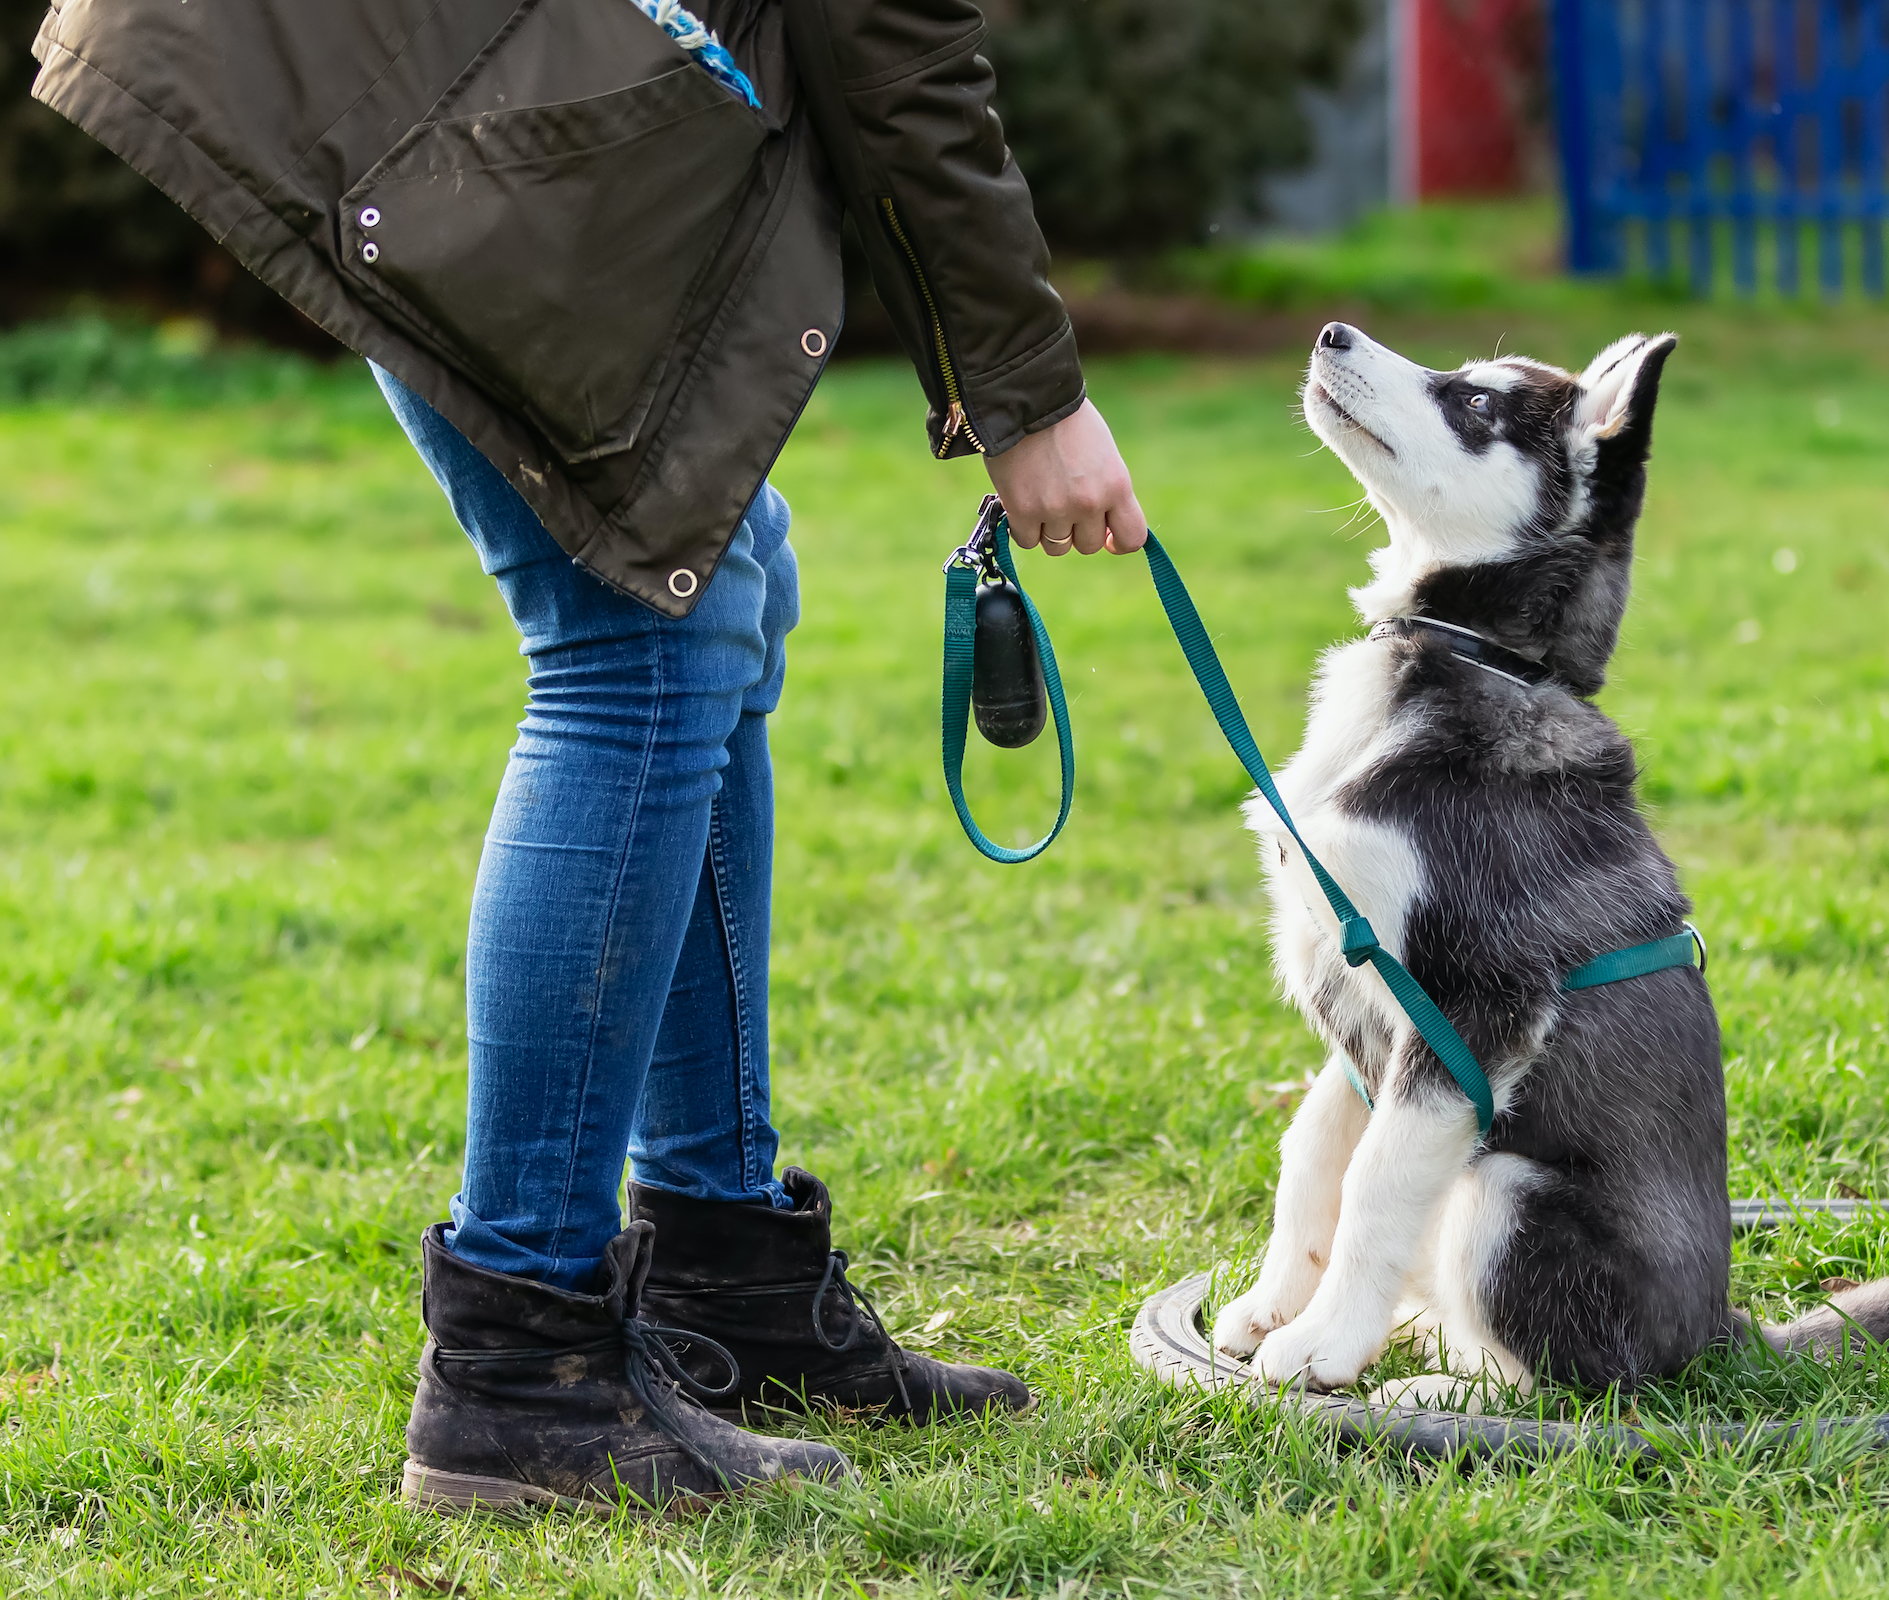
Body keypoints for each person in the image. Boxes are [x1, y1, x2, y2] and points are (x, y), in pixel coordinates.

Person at [34, 0, 1144, 1511]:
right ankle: (518, 1367)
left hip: (435, 60)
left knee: (716, 573)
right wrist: (1031, 399)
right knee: (638, 645)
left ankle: (724, 1270)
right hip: (398, 71)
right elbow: (891, 48)